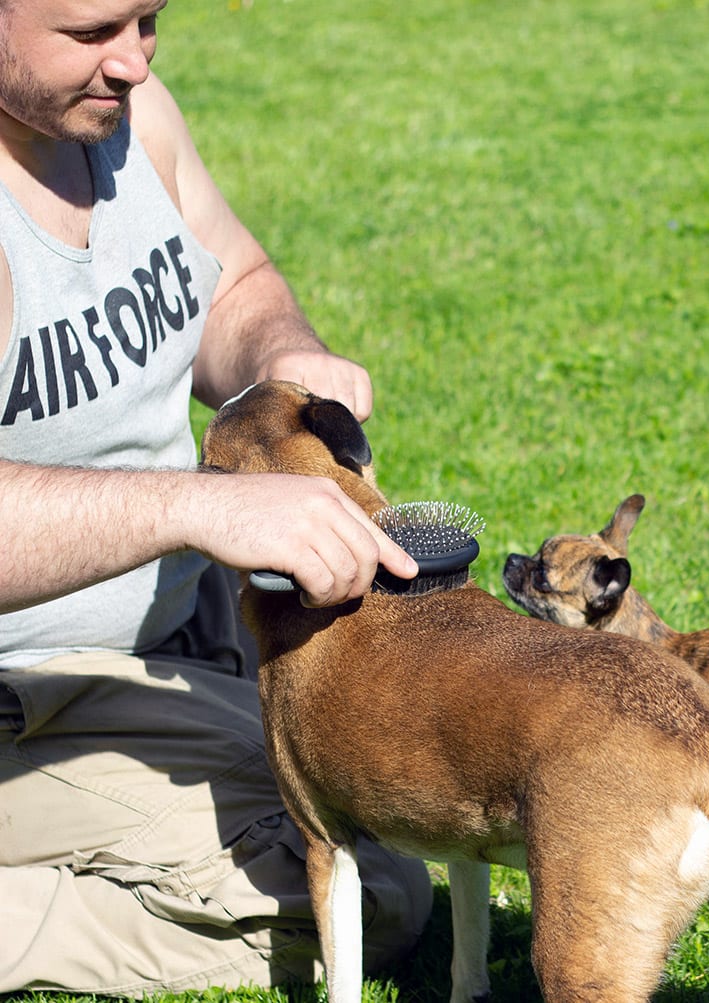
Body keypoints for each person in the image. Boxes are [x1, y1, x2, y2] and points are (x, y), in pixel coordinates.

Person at [0, 0, 433, 994]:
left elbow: (231, 284)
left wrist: (285, 358)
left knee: (392, 783)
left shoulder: (121, 122)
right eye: (94, 31)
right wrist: (196, 508)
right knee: (375, 892)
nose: (134, 63)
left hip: (179, 632)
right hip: (34, 691)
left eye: (149, 20)